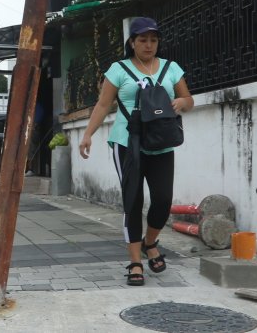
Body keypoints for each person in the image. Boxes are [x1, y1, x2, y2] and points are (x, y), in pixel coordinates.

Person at [78, 17, 193, 286]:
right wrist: (87, 134)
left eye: (153, 40)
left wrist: (181, 102)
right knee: (133, 200)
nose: (149, 45)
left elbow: (189, 100)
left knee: (163, 200)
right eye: (143, 40)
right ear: (132, 42)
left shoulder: (171, 68)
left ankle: (150, 241)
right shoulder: (118, 69)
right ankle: (135, 261)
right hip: (127, 142)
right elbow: (103, 105)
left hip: (162, 141)